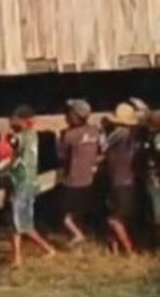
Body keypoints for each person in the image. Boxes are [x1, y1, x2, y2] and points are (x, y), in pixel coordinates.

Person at [8, 105, 56, 268]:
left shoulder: (21, 137)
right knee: (16, 222)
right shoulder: (33, 135)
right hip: (27, 181)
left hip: (23, 181)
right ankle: (17, 258)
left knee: (23, 223)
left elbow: (13, 149)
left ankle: (48, 249)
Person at [58, 99, 100, 246]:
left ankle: (78, 235)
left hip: (73, 179)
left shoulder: (70, 135)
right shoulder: (95, 131)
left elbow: (61, 155)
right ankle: (81, 235)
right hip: (89, 178)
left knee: (64, 215)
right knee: (79, 212)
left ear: (74, 115)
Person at [103, 103, 139, 259]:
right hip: (127, 179)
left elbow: (103, 146)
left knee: (114, 219)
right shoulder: (132, 136)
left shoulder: (118, 134)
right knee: (120, 216)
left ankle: (129, 251)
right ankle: (115, 248)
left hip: (118, 180)